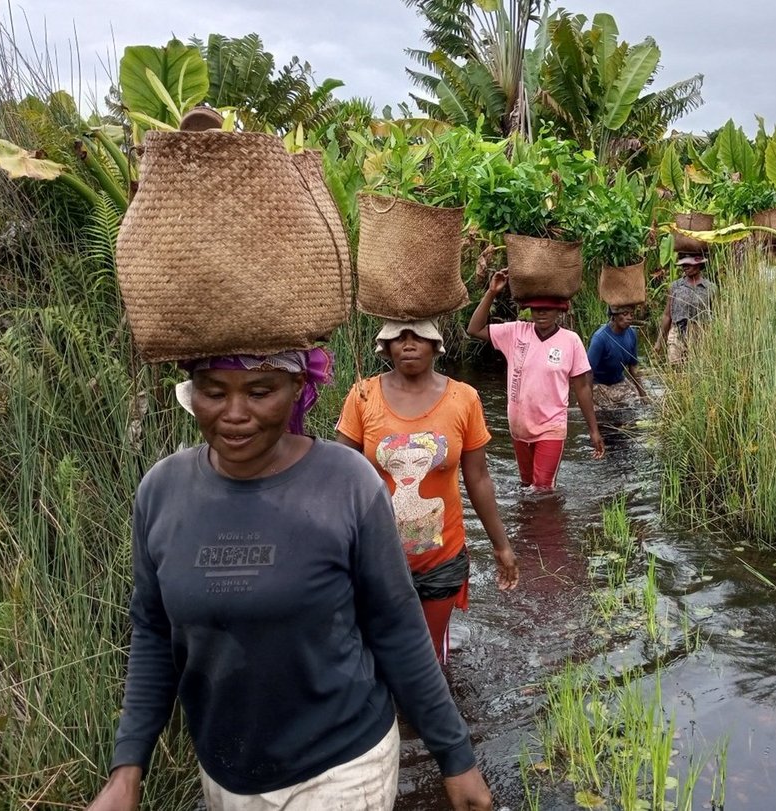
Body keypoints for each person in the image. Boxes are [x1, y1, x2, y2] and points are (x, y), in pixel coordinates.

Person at [86, 349, 493, 811]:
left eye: (260, 392)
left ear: (297, 390)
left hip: (341, 768)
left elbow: (397, 627)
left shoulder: (347, 484)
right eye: (213, 392)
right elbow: (154, 632)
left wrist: (455, 756)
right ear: (191, 394)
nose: (235, 414)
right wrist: (127, 767)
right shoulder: (162, 492)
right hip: (224, 769)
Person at [336, 320, 519, 665]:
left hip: (441, 559)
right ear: (386, 346)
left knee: (430, 659)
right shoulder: (363, 395)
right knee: (376, 656)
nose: (408, 345)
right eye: (399, 338)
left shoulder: (463, 398)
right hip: (375, 560)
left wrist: (501, 545)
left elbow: (478, 478)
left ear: (436, 344)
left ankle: (429, 719)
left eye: (418, 336)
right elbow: (339, 476)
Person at [467, 269, 604, 491]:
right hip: (519, 425)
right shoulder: (516, 332)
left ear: (559, 310)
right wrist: (492, 292)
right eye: (536, 308)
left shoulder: (570, 341)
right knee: (526, 485)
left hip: (551, 425)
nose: (541, 313)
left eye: (547, 308)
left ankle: (547, 525)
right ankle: (528, 525)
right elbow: (474, 329)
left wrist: (593, 429)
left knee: (542, 488)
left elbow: (582, 387)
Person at [655, 254, 716, 364]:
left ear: (699, 265)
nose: (685, 267)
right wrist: (659, 342)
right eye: (683, 264)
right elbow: (667, 315)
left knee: (697, 368)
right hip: (677, 332)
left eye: (689, 264)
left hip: (700, 335)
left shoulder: (710, 288)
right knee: (675, 366)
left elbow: (715, 314)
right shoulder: (675, 287)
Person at [587, 306, 648, 410]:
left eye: (631, 314)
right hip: (598, 384)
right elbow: (587, 372)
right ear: (614, 316)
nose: (629, 318)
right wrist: (588, 399)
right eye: (625, 314)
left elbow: (633, 367)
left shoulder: (632, 334)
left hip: (618, 381)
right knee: (608, 411)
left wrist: (643, 394)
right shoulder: (600, 338)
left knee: (635, 405)